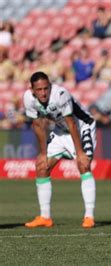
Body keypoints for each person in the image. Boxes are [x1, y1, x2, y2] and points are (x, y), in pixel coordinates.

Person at [23, 72, 97, 228]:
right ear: (32, 90)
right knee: (42, 166)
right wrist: (43, 153)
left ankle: (89, 216)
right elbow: (37, 125)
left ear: (50, 86)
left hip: (82, 127)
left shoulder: (60, 94)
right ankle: (45, 217)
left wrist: (80, 152)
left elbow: (71, 123)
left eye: (46, 88)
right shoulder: (28, 98)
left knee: (83, 165)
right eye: (39, 90)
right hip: (60, 131)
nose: (43, 93)